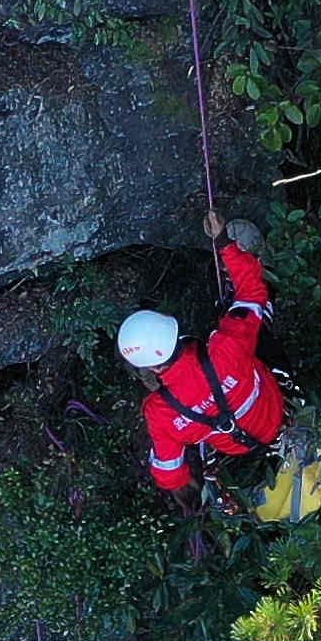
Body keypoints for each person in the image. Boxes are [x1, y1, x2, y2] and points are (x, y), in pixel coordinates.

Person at [118, 218, 290, 537]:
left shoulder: (160, 412)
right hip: (276, 404)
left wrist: (188, 499)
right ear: (174, 331)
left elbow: (170, 474)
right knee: (248, 318)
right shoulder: (224, 346)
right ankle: (249, 255)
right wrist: (224, 242)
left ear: (149, 369)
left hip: (241, 447)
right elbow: (253, 291)